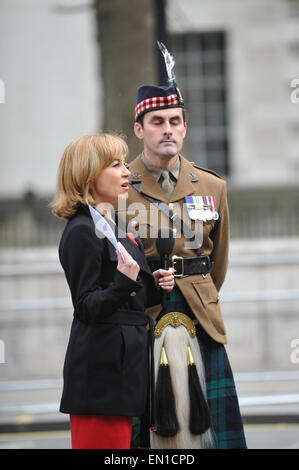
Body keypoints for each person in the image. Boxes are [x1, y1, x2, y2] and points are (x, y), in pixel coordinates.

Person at [116, 50, 247, 449]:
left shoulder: (211, 186)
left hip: (199, 311)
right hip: (144, 315)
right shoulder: (120, 185)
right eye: (157, 122)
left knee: (213, 432)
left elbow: (217, 261)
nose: (167, 129)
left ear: (185, 128)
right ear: (139, 130)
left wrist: (198, 290)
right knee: (148, 436)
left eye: (175, 121)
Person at [51, 133, 174, 449]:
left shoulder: (113, 222)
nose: (126, 172)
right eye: (115, 165)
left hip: (126, 369)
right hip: (101, 375)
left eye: (124, 164)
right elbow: (87, 306)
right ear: (89, 176)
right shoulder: (80, 231)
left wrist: (155, 284)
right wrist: (124, 282)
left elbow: (130, 293)